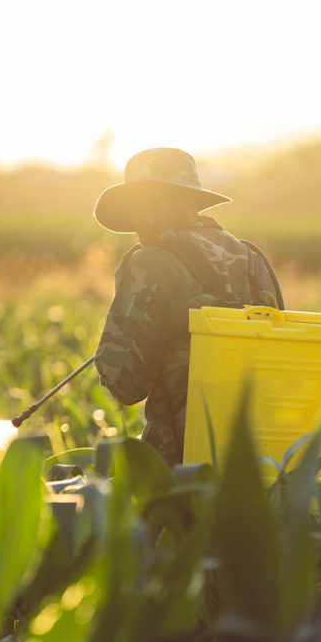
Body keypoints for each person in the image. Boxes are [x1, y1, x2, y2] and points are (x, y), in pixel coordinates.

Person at [93, 147, 282, 466]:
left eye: (135, 212)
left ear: (151, 206)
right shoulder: (253, 261)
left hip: (181, 473)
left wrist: (125, 302)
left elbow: (126, 385)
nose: (136, 228)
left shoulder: (149, 265)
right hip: (260, 464)